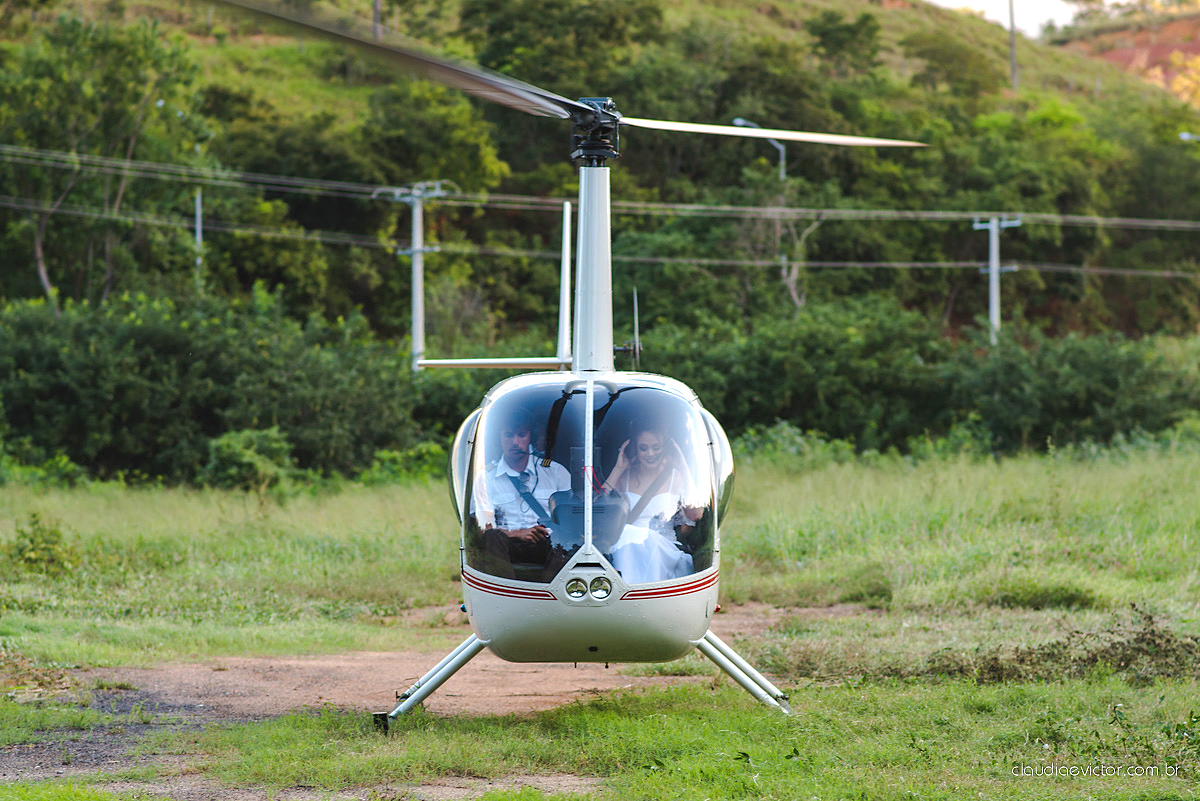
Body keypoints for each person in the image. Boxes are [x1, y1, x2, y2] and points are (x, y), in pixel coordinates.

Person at [470, 407, 571, 579]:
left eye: (521, 435)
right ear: (499, 438)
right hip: (506, 545)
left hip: (548, 546)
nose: (515, 442)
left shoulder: (555, 472)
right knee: (492, 537)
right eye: (508, 435)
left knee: (565, 542)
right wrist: (517, 533)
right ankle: (504, 597)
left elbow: (570, 521)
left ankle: (548, 598)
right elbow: (483, 527)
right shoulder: (486, 478)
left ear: (531, 436)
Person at [602, 424, 702, 583]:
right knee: (627, 534)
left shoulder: (676, 477)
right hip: (627, 548)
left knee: (634, 536)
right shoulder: (625, 477)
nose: (650, 453)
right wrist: (618, 469)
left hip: (663, 549)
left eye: (656, 447)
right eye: (643, 448)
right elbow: (598, 509)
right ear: (635, 449)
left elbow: (696, 514)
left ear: (665, 448)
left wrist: (683, 466)